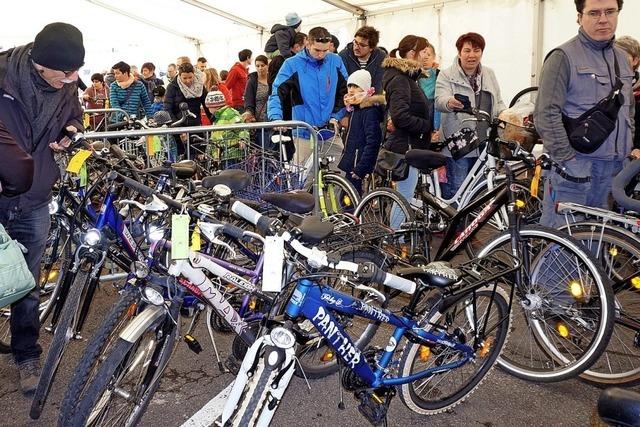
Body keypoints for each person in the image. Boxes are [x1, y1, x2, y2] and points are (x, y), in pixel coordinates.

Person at [0, 22, 84, 395]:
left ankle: (26, 354)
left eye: (77, 70)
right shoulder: (3, 77)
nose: (72, 79)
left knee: (27, 284)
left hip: (34, 198)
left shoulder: (65, 85)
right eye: (66, 72)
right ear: (39, 63)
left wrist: (69, 132)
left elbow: (75, 116)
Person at [534, 0, 635, 227]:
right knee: (563, 249)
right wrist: (568, 158)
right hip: (575, 171)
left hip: (613, 172)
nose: (603, 19)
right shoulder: (562, 57)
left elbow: (628, 109)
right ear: (579, 16)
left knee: (598, 244)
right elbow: (545, 114)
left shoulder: (622, 59)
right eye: (594, 13)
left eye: (610, 12)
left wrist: (627, 151)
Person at [268, 26, 348, 175]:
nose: (321, 55)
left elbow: (344, 92)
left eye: (325, 51)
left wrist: (336, 116)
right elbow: (277, 92)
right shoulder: (292, 64)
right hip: (304, 133)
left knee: (339, 178)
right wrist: (275, 118)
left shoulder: (335, 61)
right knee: (301, 184)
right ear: (308, 44)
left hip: (330, 132)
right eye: (317, 50)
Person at [435, 32, 505, 200]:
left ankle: (473, 226)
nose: (472, 55)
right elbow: (439, 100)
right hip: (459, 143)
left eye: (477, 50)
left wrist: (506, 116)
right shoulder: (446, 74)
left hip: (485, 142)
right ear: (459, 52)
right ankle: (455, 226)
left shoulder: (489, 73)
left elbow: (498, 102)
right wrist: (450, 102)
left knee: (481, 191)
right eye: (467, 50)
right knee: (457, 190)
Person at [382, 35, 432, 229]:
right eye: (424, 52)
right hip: (406, 147)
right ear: (412, 53)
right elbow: (400, 116)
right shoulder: (401, 80)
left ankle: (395, 237)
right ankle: (394, 238)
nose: (427, 56)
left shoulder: (405, 78)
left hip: (408, 144)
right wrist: (426, 126)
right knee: (404, 196)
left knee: (404, 195)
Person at [338, 69, 384, 195]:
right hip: (353, 164)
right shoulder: (356, 110)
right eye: (350, 86)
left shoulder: (369, 111)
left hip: (357, 167)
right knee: (347, 200)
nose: (351, 90)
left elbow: (373, 142)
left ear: (365, 89)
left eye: (356, 86)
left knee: (350, 203)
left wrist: (361, 168)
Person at [163, 62, 210, 156]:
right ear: (179, 75)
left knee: (199, 156)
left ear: (194, 75)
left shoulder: (200, 86)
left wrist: (214, 120)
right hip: (178, 129)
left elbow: (207, 105)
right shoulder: (172, 87)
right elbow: (168, 109)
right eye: (184, 78)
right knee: (182, 160)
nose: (188, 81)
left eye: (190, 77)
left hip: (196, 126)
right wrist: (179, 130)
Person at [205, 90, 249, 166]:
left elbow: (242, 128)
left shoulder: (231, 114)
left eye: (208, 107)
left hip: (233, 154)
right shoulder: (217, 117)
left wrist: (243, 139)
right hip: (222, 155)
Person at [338, 26, 387, 93]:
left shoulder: (381, 57)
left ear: (371, 48)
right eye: (355, 42)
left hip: (371, 100)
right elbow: (342, 84)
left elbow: (378, 85)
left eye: (362, 45)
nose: (356, 47)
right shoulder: (343, 56)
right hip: (349, 99)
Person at [615, 35, 640, 154]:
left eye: (623, 56)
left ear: (635, 60)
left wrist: (637, 147)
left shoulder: (637, 90)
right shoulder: (608, 85)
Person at [243, 55, 270, 146]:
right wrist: (249, 113)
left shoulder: (273, 79)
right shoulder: (252, 81)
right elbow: (249, 101)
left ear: (267, 66)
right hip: (258, 123)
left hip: (272, 121)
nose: (260, 68)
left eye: (262, 65)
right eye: (257, 66)